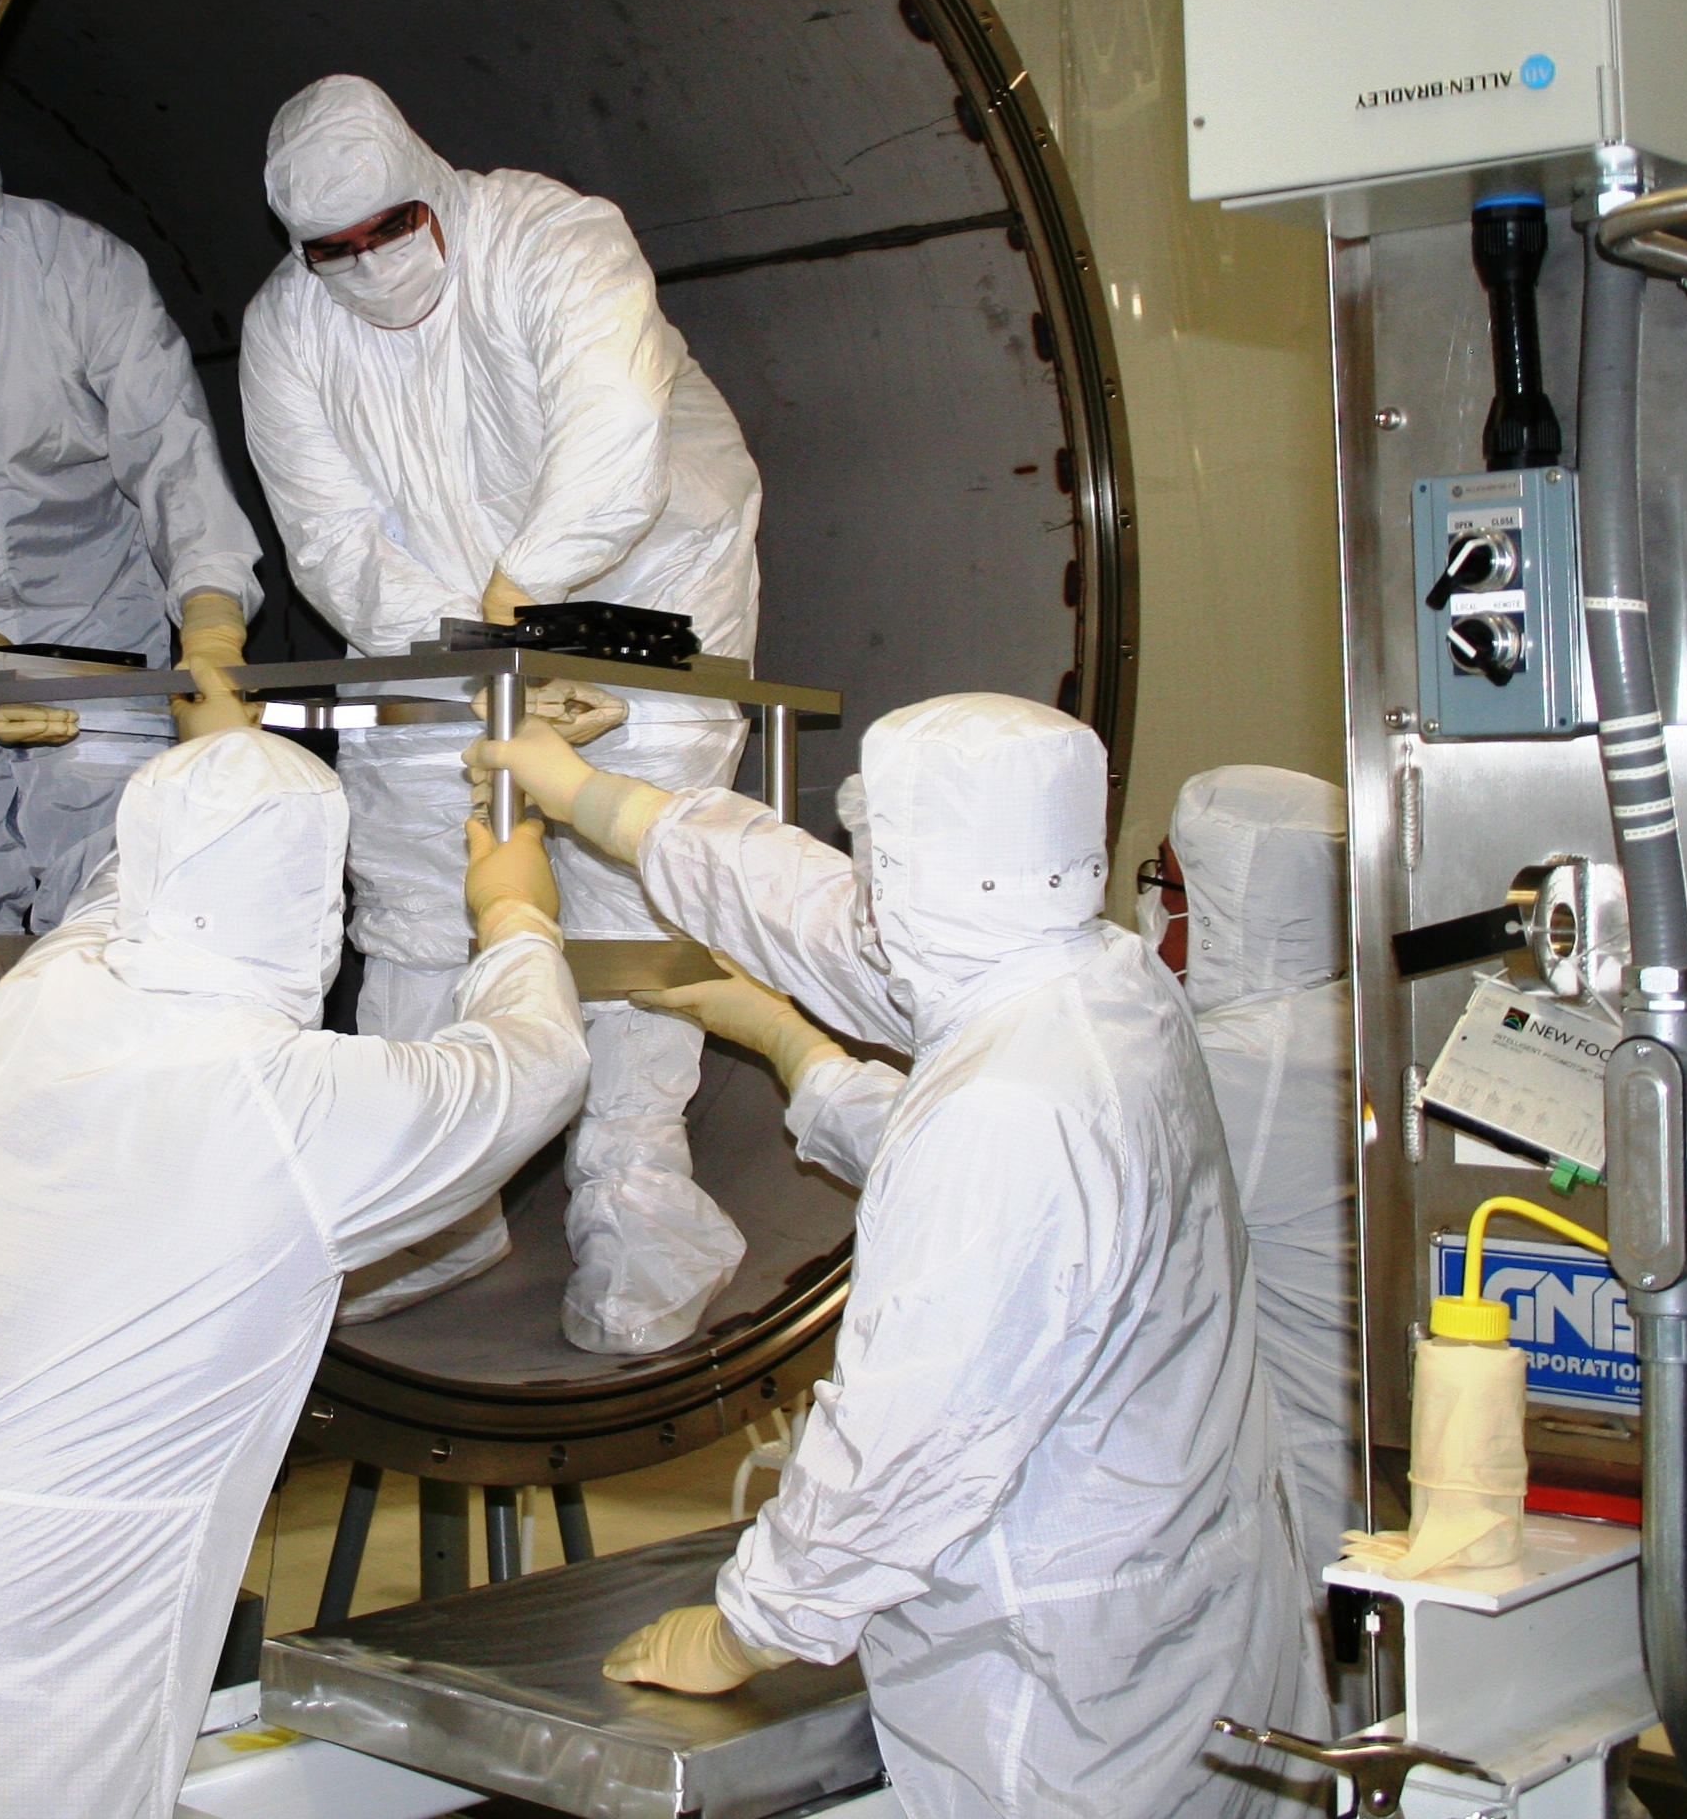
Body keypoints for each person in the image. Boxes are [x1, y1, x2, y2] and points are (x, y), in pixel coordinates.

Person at [0, 674, 589, 1819]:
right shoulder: (287, 1104)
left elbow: (121, 893)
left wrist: (211, 772)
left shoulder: (38, 1000)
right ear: (317, 896)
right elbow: (533, 1070)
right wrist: (516, 913)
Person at [470, 693, 1323, 1818]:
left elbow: (909, 1440)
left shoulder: (1005, 1112)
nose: (861, 885)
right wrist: (599, 801)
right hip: (1181, 1616)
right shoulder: (1102, 984)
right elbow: (832, 928)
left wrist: (747, 1628)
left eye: (877, 857)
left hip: (1062, 1695)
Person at [239, 74, 764, 1355]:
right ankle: (428, 1205)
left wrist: (525, 597)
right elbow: (330, 535)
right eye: (333, 250)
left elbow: (614, 439)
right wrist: (476, 646)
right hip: (440, 627)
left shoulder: (555, 237)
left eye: (389, 229)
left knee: (630, 898)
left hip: (648, 594)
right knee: (422, 892)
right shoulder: (285, 328)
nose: (368, 264)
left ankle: (641, 1206)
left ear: (430, 181)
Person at [0, 113, 265, 933]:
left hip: (98, 644)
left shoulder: (80, 270)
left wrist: (211, 619)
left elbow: (171, 454)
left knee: (109, 903)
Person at [1148, 766, 1359, 1583]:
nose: (1150, 910)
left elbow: (1011, 1160)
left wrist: (805, 1055)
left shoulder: (1233, 1065)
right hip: (1358, 1466)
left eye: (1165, 884)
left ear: (1223, 915)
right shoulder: (1340, 1023)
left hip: (1300, 1503)